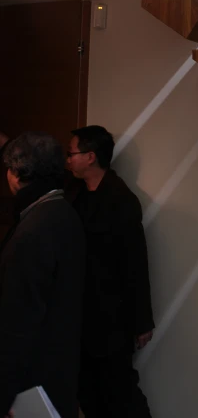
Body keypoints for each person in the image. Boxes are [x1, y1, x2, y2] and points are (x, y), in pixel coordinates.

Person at [66, 125, 154, 418]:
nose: (68, 159)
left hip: (111, 317)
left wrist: (142, 321)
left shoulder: (121, 200)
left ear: (90, 156)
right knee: (88, 393)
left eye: (72, 153)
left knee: (120, 393)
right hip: (81, 316)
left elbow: (135, 263)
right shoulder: (74, 193)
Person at [0, 132, 85, 418]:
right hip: (59, 363)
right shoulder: (62, 212)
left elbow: (19, 320)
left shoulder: (34, 228)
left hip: (32, 378)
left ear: (15, 174)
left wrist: (5, 392)